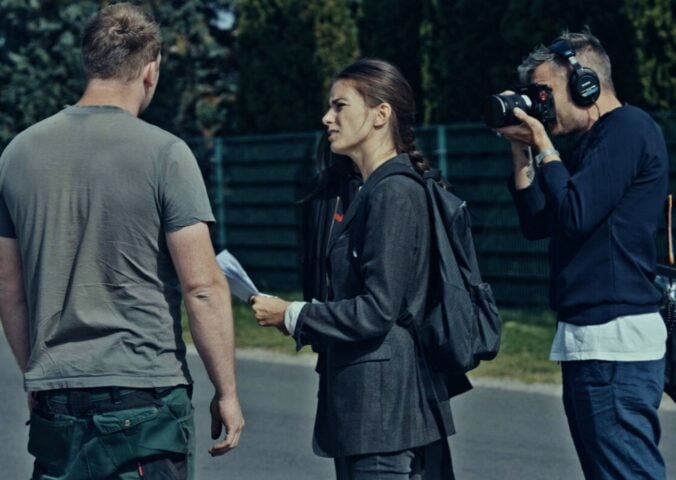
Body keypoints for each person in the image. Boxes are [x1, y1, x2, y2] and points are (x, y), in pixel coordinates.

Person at [0, 3, 243, 479]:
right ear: (150, 70)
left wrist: (38, 372)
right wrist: (227, 392)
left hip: (57, 402)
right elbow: (202, 287)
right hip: (144, 402)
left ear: (90, 61)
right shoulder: (166, 154)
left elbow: (8, 287)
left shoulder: (16, 155)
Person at [251, 58, 456, 480]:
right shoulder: (367, 191)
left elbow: (377, 311)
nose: (328, 118)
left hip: (382, 414)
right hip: (365, 411)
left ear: (381, 114)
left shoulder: (395, 193)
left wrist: (291, 314)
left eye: (340, 106)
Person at [496, 30, 668, 479]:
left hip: (614, 341)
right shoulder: (590, 144)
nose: (540, 105)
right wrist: (522, 149)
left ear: (584, 84)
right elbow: (539, 223)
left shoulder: (629, 130)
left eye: (544, 93)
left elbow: (574, 213)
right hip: (591, 341)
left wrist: (547, 149)